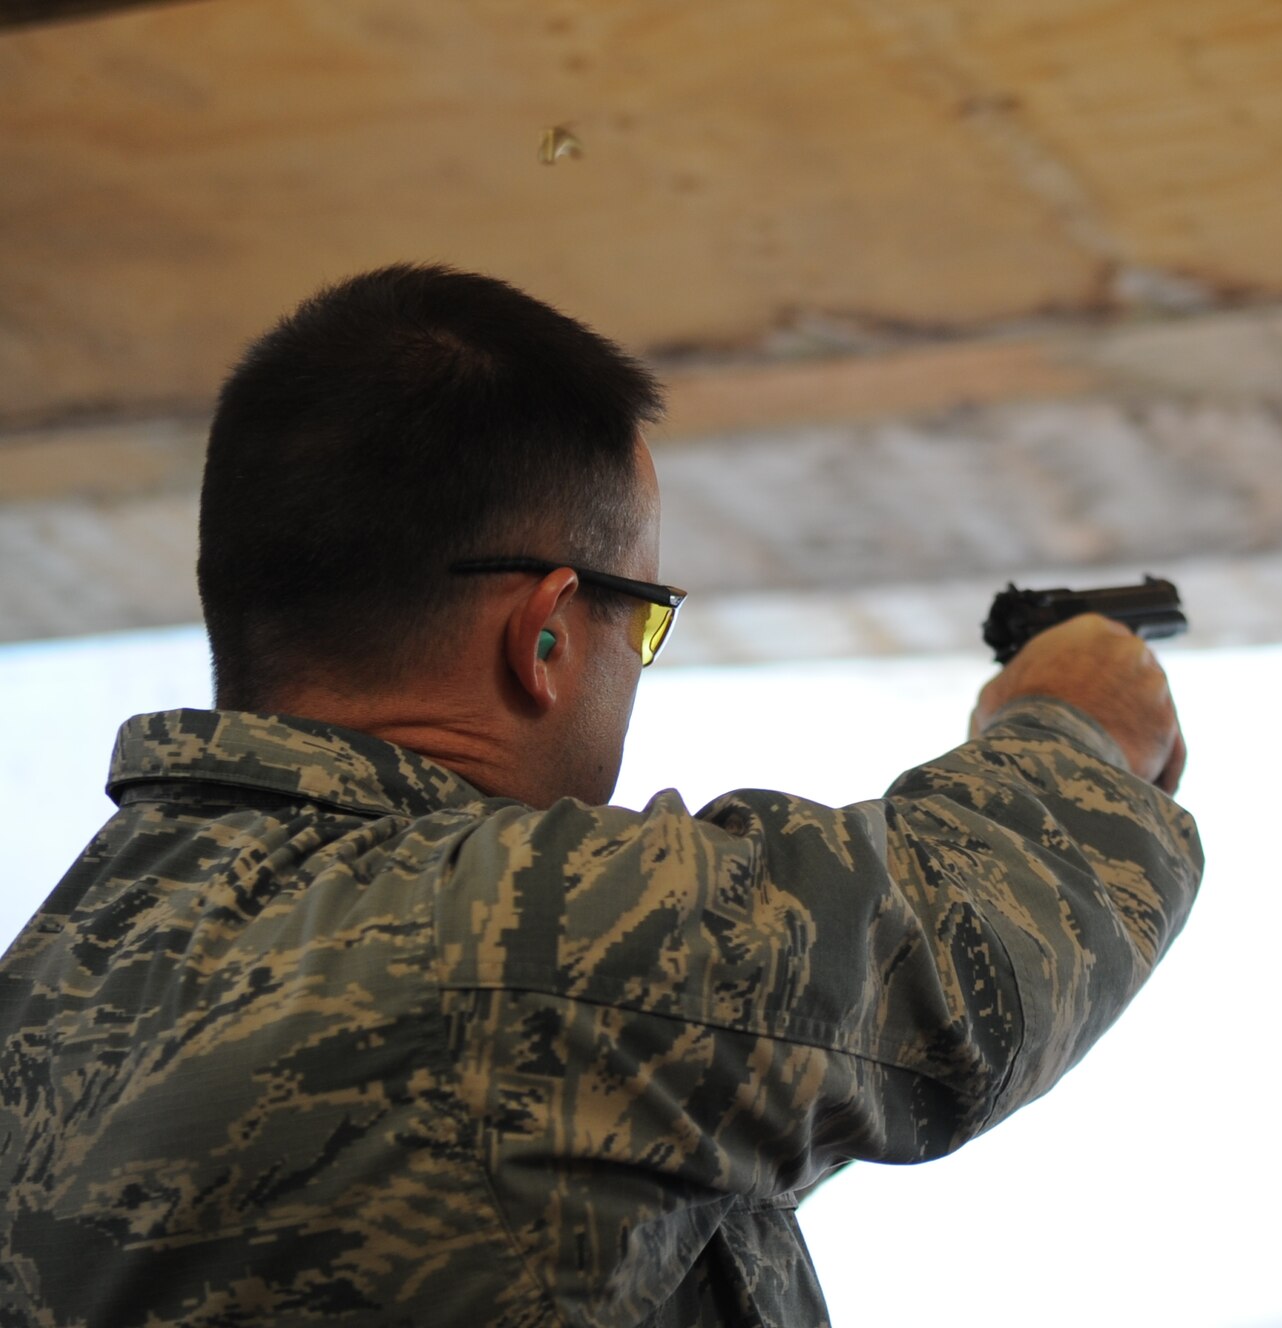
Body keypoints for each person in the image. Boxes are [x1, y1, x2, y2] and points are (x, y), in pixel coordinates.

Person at [0, 265, 1201, 1326]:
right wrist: (1072, 714)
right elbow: (965, 942)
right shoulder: (522, 939)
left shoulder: (54, 979)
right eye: (641, 613)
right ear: (545, 638)